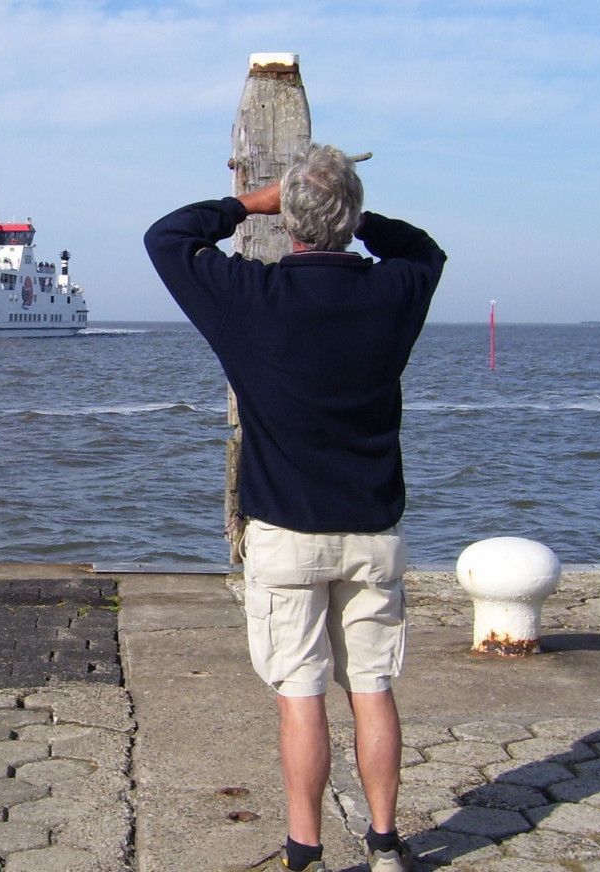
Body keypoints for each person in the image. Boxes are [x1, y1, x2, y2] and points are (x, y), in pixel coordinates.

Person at [144, 144, 445, 872]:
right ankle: (383, 844)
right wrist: (346, 206)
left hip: (284, 533)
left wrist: (254, 201)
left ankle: (305, 850)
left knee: (300, 696)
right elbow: (424, 248)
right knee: (372, 689)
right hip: (373, 529)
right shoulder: (395, 290)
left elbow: (168, 236)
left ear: (291, 222)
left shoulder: (250, 299)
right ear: (347, 219)